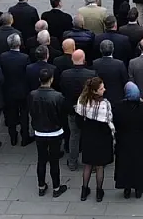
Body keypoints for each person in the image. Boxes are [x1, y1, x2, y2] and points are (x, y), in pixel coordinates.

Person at [27, 65, 67, 196]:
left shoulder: (33, 95)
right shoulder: (58, 96)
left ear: (39, 79)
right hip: (55, 132)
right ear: (52, 79)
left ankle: (41, 186)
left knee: (41, 159)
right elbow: (62, 114)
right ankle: (56, 187)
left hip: (39, 131)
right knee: (54, 160)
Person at [112, 81, 143, 199]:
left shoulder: (119, 107)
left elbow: (116, 123)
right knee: (139, 164)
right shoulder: (142, 108)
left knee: (125, 164)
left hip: (124, 141)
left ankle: (127, 188)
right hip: (139, 141)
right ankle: (138, 188)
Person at [75, 77, 114, 202]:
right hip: (101, 138)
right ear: (95, 91)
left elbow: (78, 121)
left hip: (88, 137)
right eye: (101, 88)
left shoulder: (82, 101)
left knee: (87, 165)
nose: (104, 90)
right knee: (99, 167)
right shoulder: (104, 104)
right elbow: (108, 123)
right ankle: (99, 192)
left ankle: (84, 190)